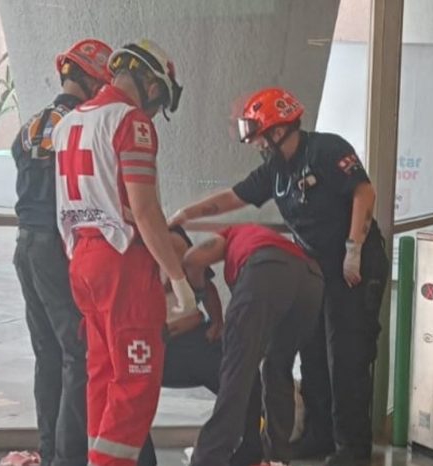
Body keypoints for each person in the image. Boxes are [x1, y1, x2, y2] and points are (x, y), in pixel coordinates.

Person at [169, 88, 389, 466]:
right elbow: (232, 198)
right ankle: (319, 437)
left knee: (347, 358)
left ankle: (352, 451)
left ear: (277, 128)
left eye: (259, 135)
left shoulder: (326, 149)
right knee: (315, 353)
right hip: (318, 272)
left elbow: (364, 193)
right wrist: (184, 214)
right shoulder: (276, 171)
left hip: (355, 269)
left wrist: (354, 248)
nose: (258, 143)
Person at [51, 39, 196, 466]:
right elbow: (146, 211)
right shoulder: (131, 123)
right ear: (149, 81)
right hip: (121, 264)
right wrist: (178, 277)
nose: (155, 111)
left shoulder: (70, 122)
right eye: (158, 98)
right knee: (135, 381)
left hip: (82, 260)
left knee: (103, 375)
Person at [11, 38, 114, 466]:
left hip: (26, 245)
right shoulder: (81, 126)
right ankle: (69, 458)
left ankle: (52, 449)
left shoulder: (31, 125)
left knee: (48, 355)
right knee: (79, 352)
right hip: (57, 247)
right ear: (91, 80)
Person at [183, 224, 323, 466]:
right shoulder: (264, 238)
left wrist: (195, 291)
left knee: (237, 371)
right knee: (278, 367)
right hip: (311, 279)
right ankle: (276, 456)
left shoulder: (231, 235)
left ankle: (209, 459)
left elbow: (192, 259)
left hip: (266, 270)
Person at [137, 227, 263, 466]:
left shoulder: (183, 248)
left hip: (195, 336)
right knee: (130, 392)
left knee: (245, 371)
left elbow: (205, 286)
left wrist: (217, 321)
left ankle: (250, 449)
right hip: (154, 343)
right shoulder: (135, 254)